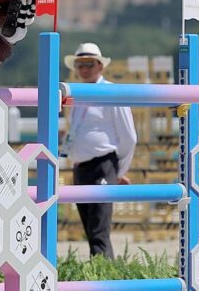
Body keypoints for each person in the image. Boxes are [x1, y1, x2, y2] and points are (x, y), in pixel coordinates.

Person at [62, 42, 138, 258]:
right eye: (80, 64)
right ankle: (105, 273)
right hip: (81, 168)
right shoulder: (77, 95)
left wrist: (118, 172)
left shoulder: (111, 92)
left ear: (99, 66)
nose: (84, 69)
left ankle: (104, 276)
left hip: (103, 164)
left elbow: (129, 137)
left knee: (98, 230)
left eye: (88, 64)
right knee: (91, 228)